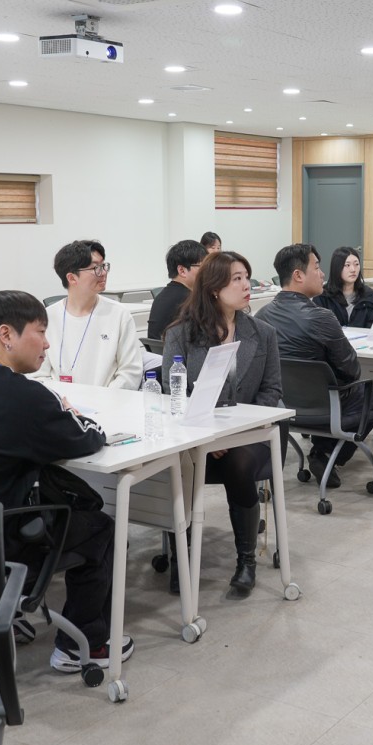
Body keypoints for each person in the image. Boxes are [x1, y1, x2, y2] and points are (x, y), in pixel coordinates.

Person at [0, 290, 131, 670]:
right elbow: (88, 438)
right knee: (101, 529)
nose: (47, 343)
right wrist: (70, 412)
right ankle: (84, 645)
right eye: (40, 331)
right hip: (5, 537)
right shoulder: (25, 396)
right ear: (6, 334)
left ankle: (5, 615)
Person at [162, 252, 281, 596]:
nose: (246, 285)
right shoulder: (181, 334)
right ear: (214, 288)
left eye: (247, 277)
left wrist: (233, 433)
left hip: (249, 435)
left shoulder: (263, 333)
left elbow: (272, 390)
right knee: (173, 466)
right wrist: (208, 436)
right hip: (197, 436)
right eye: (236, 279)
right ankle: (181, 559)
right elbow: (172, 392)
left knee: (238, 462)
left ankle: (246, 560)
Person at [256, 243, 373, 488]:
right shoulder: (321, 317)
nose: (322, 274)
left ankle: (322, 451)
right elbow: (352, 370)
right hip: (326, 408)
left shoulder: (261, 316)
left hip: (282, 408)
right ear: (298, 275)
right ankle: (324, 454)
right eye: (316, 267)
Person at [35, 240, 144, 389]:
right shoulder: (47, 318)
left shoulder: (119, 314)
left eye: (104, 266)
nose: (103, 272)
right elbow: (38, 374)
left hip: (108, 401)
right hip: (60, 401)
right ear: (72, 278)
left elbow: (130, 371)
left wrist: (102, 399)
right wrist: (60, 399)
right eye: (95, 268)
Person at [148, 239, 207, 341]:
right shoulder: (190, 300)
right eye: (202, 267)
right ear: (182, 270)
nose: (207, 271)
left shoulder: (161, 296)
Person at [314, 246, 373, 328]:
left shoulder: (370, 297)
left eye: (356, 264)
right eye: (347, 265)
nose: (353, 269)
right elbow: (318, 328)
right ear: (337, 268)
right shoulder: (322, 296)